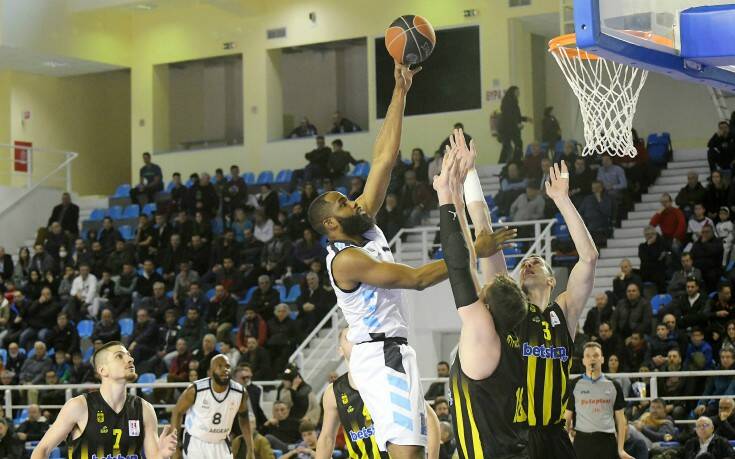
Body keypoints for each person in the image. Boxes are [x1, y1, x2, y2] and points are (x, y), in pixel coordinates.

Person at [308, 63, 437, 459]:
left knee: (407, 450)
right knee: (407, 452)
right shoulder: (346, 260)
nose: (354, 200)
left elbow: (384, 158)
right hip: (380, 354)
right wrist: (471, 250)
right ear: (331, 223)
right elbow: (414, 279)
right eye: (344, 202)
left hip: (390, 350)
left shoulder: (359, 224)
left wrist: (400, 91)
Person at [434, 139, 529, 458]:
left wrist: (445, 194)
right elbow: (484, 237)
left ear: (486, 306)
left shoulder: (484, 334)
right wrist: (468, 177)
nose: (480, 286)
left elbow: (460, 265)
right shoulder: (509, 327)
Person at [30, 341, 177, 459]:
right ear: (103, 370)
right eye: (119, 356)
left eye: (129, 355)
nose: (130, 359)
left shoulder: (144, 409)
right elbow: (42, 450)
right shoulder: (79, 406)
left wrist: (163, 456)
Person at [316, 328, 440, 459]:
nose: (355, 340)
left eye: (357, 335)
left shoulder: (390, 377)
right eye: (349, 338)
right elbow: (326, 438)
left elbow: (430, 420)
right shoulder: (333, 392)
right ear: (340, 350)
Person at [170, 354, 253, 459]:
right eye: (220, 366)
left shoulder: (240, 393)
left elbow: (244, 419)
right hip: (196, 442)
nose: (225, 369)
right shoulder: (195, 390)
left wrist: (250, 448)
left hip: (221, 442)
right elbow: (177, 412)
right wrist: (175, 446)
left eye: (227, 366)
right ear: (210, 372)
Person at [565, 342, 633, 459]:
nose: (592, 359)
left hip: (607, 441)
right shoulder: (574, 384)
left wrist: (621, 449)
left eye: (596, 355)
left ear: (602, 359)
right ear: (583, 361)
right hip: (582, 441)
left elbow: (621, 420)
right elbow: (566, 418)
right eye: (588, 356)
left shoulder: (613, 385)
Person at [498, 86, 530, 163]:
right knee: (515, 144)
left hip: (510, 128)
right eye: (517, 91)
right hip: (508, 128)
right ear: (513, 92)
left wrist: (525, 119)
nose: (519, 93)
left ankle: (504, 161)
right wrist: (517, 124)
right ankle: (516, 160)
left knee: (508, 146)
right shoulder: (509, 102)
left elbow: (516, 116)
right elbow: (510, 116)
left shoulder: (512, 102)